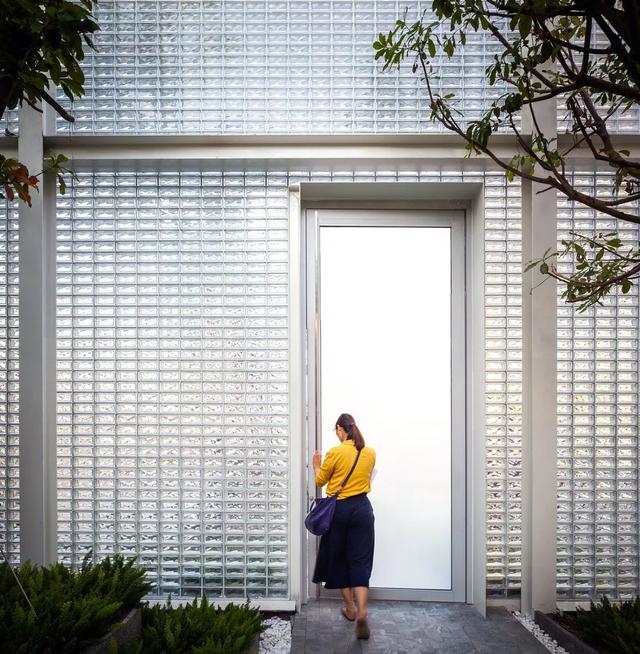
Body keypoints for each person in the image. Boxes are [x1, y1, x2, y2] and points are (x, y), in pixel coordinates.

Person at [311, 412, 376, 640]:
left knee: (339, 559)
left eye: (336, 430)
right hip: (363, 509)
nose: (336, 434)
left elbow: (320, 481)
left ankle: (350, 609)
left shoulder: (336, 452)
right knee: (360, 561)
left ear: (340, 429)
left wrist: (316, 466)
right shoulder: (370, 452)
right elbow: (367, 479)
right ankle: (362, 612)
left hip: (339, 510)